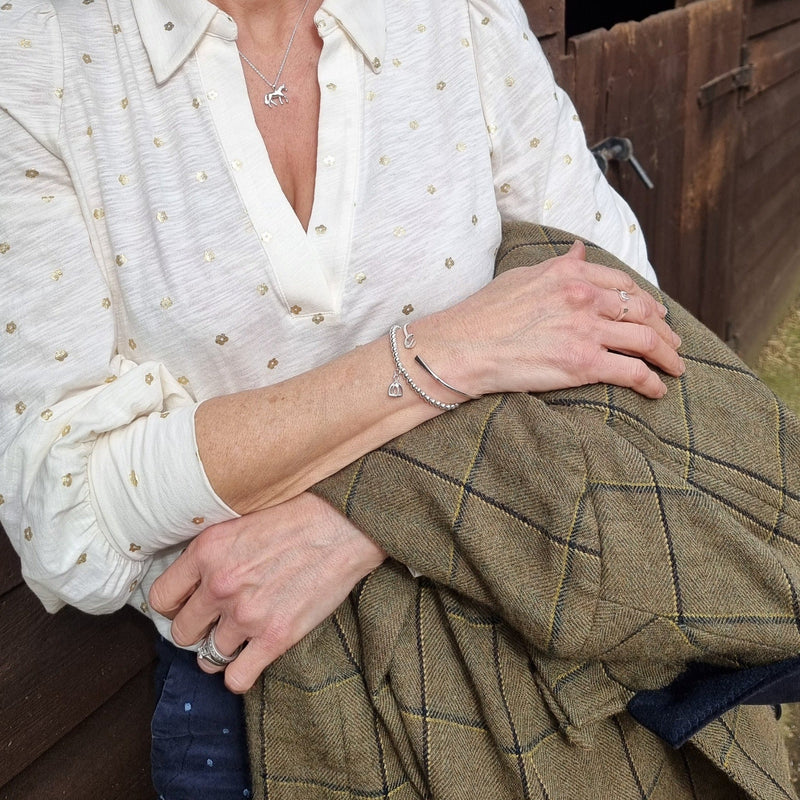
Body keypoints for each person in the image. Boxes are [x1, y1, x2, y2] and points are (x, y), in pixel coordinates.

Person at [0, 0, 688, 797]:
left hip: (510, 608)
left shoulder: (458, 16)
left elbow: (625, 319)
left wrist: (362, 518)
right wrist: (448, 350)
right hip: (250, 689)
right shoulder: (39, 54)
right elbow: (70, 515)